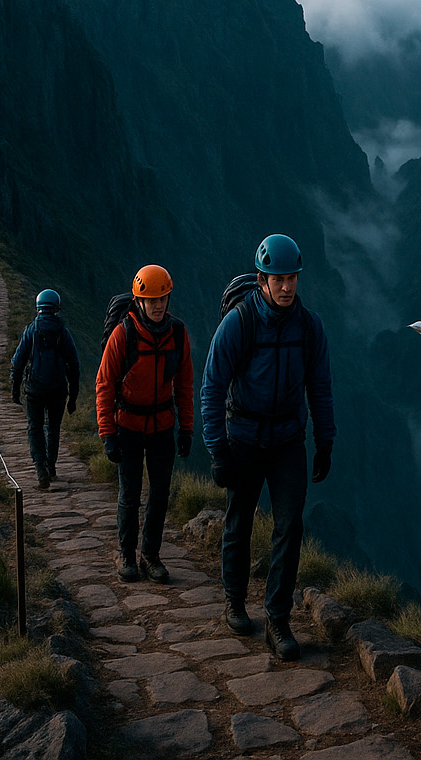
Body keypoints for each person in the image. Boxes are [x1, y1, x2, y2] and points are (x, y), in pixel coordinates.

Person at [201, 234, 335, 661]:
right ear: (262, 280)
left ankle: (278, 619)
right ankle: (234, 601)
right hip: (243, 437)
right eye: (278, 279)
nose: (287, 286)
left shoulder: (309, 327)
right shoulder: (239, 323)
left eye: (292, 278)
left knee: (290, 525)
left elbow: (320, 387)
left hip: (287, 442)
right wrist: (217, 450)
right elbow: (211, 387)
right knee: (239, 519)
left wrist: (325, 440)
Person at [96, 264, 194, 583]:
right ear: (138, 301)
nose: (158, 305)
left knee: (161, 493)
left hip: (163, 427)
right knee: (130, 493)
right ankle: (127, 554)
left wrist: (187, 429)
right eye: (151, 299)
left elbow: (185, 384)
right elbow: (105, 384)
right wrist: (108, 434)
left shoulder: (177, 333)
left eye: (163, 298)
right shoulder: (122, 335)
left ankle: (150, 555)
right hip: (128, 428)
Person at [10, 289, 80, 491]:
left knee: (35, 428)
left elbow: (17, 362)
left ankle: (40, 467)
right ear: (57, 307)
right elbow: (74, 365)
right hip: (58, 390)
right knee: (54, 428)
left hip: (34, 390)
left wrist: (15, 390)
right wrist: (72, 397)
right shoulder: (63, 332)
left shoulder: (31, 330)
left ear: (38, 307)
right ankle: (51, 466)